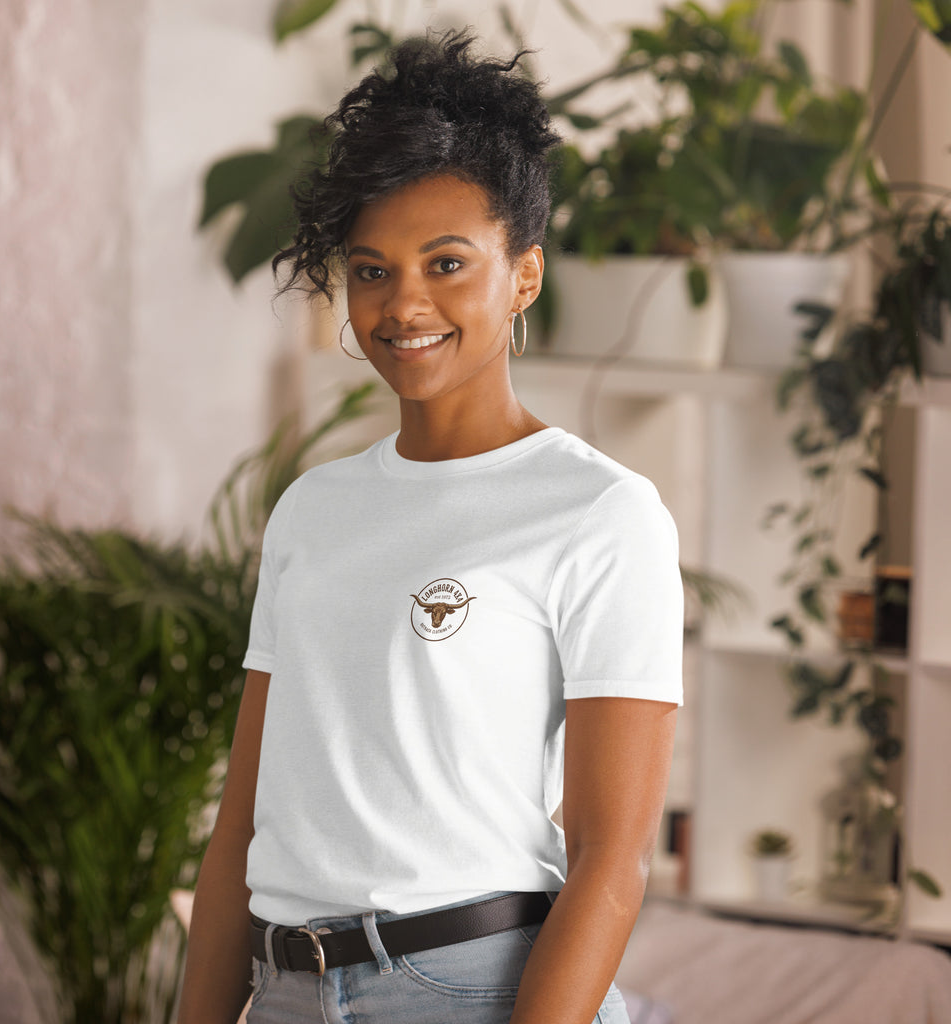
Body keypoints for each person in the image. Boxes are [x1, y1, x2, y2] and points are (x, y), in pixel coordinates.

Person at [177, 30, 682, 1024]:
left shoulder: (598, 512)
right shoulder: (313, 510)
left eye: (446, 263)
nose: (403, 303)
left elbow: (610, 856)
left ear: (523, 275)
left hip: (473, 987)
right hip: (284, 990)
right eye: (371, 270)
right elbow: (243, 821)